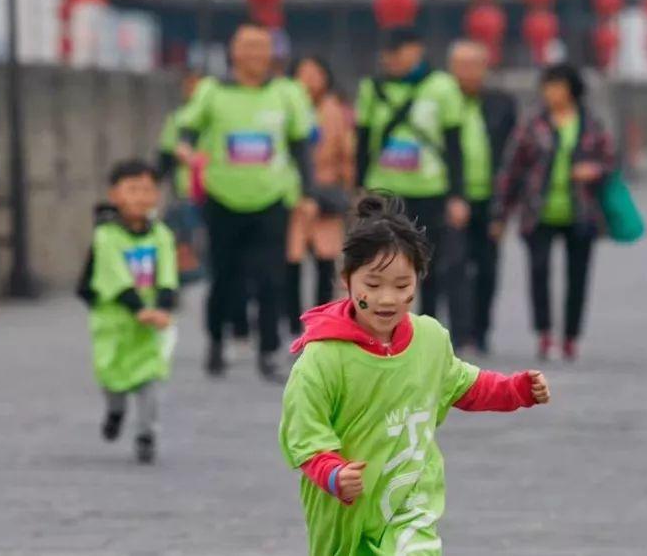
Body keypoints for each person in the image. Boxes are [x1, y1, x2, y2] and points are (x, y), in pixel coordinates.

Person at [278, 194, 550, 556]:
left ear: (418, 281)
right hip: (344, 511)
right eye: (372, 286)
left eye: (402, 285)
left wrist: (517, 389)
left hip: (410, 502)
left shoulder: (430, 340)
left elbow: (466, 386)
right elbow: (303, 432)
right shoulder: (323, 358)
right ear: (347, 280)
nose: (387, 299)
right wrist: (332, 472)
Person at [176, 22, 316, 381]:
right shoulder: (211, 91)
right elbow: (187, 129)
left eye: (261, 47)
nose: (255, 54)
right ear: (233, 53)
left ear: (272, 53)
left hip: (272, 197)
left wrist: (307, 193)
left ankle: (269, 350)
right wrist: (186, 148)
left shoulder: (287, 93)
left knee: (272, 278)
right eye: (247, 47)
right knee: (224, 276)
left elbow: (301, 146)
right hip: (222, 197)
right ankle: (216, 342)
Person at [490, 63, 615, 363]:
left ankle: (570, 337)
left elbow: (610, 162)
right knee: (539, 273)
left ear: (572, 90)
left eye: (558, 86)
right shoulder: (533, 125)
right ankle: (544, 334)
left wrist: (593, 170)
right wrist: (501, 214)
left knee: (578, 278)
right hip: (538, 212)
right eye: (547, 86)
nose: (552, 93)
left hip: (580, 212)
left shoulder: (590, 125)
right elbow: (512, 169)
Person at [355, 27, 469, 319]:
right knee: (379, 262)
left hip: (429, 189)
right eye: (387, 54)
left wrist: (457, 195)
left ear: (416, 50)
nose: (391, 59)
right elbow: (363, 140)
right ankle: (379, 324)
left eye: (398, 52)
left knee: (426, 263)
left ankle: (425, 325)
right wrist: (358, 186)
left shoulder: (442, 87)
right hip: (384, 191)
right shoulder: (372, 88)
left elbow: (455, 146)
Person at [75, 160, 178, 464]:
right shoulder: (106, 236)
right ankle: (116, 409)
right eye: (132, 189)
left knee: (151, 375)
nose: (141, 197)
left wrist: (162, 307)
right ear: (115, 194)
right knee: (112, 375)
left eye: (148, 190)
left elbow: (168, 275)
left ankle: (146, 433)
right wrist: (137, 308)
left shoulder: (161, 235)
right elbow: (113, 277)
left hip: (148, 325)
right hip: (113, 321)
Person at [446, 40, 517, 354]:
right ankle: (460, 334)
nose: (468, 73)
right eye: (461, 66)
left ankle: (481, 330)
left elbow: (513, 157)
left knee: (487, 267)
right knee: (455, 264)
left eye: (475, 65)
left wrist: (504, 210)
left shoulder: (502, 103)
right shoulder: (443, 101)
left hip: (491, 199)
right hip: (453, 197)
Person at [285, 55, 355, 333]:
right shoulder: (287, 105)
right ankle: (292, 322)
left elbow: (346, 154)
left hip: (326, 192)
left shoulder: (334, 110)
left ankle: (321, 320)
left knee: (326, 262)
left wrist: (346, 188)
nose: (309, 80)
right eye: (303, 73)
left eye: (315, 73)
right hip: (293, 195)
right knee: (291, 263)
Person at [156, 70, 207, 284]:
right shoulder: (177, 119)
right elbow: (165, 157)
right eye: (189, 86)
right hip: (186, 191)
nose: (193, 92)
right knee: (183, 237)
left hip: (217, 191)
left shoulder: (220, 115)